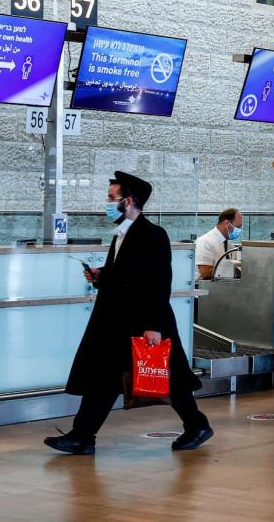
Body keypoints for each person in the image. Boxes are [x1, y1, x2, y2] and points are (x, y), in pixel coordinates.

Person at [45, 172, 212, 455]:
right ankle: (83, 435)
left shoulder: (153, 235)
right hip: (118, 322)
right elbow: (127, 274)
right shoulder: (122, 234)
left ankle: (196, 425)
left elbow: (159, 282)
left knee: (168, 376)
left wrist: (154, 325)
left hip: (145, 321)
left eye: (112, 199)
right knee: (104, 377)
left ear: (129, 201)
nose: (108, 204)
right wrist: (101, 274)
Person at [195, 208, 242, 280]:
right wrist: (231, 269)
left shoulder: (230, 245)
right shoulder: (205, 241)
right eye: (237, 227)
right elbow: (205, 272)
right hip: (204, 287)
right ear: (227, 223)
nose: (239, 230)